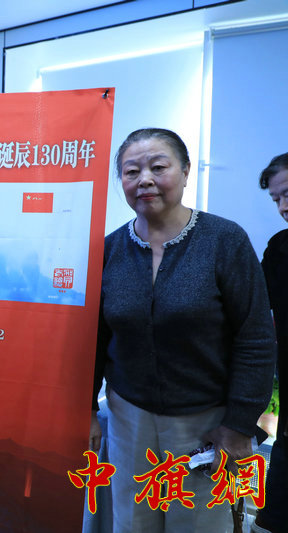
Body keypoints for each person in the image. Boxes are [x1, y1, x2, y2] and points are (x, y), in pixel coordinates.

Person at [89, 128, 276, 532]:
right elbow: (94, 339)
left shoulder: (224, 241)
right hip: (128, 417)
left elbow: (256, 338)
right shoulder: (109, 249)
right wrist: (87, 409)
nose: (145, 180)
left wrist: (239, 424)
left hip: (205, 422)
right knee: (132, 522)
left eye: (158, 167)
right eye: (131, 171)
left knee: (199, 523)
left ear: (186, 171)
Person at [256, 152, 288, 533]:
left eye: (287, 194)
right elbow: (251, 313)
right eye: (276, 199)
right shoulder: (279, 250)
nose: (282, 207)